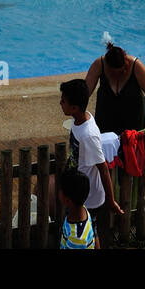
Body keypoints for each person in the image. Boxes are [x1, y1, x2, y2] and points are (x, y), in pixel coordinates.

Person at [59, 79, 121, 235]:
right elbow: (76, 153)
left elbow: (103, 168)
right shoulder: (79, 119)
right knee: (89, 231)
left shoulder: (88, 135)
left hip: (88, 196)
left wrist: (111, 200)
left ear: (74, 108)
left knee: (88, 232)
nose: (60, 103)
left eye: (63, 101)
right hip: (77, 189)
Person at [84, 43, 145, 136]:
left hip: (133, 119)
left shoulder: (136, 66)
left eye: (121, 71)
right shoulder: (99, 64)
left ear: (126, 62)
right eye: (113, 73)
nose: (117, 75)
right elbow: (85, 93)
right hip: (106, 119)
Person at [58, 169, 98, 249]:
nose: (58, 191)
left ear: (68, 200)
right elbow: (94, 235)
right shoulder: (83, 209)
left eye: (60, 190)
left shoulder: (77, 239)